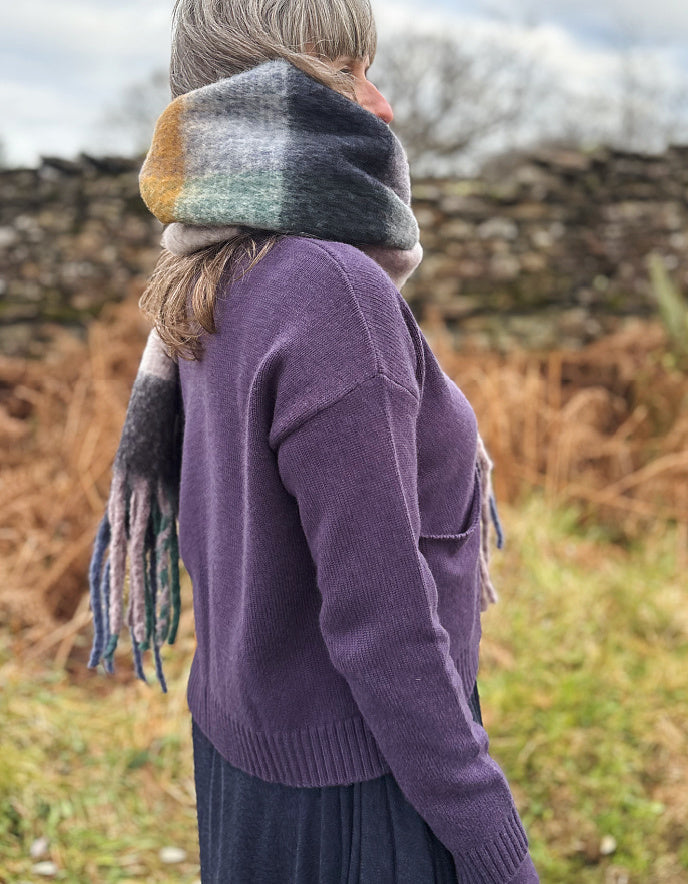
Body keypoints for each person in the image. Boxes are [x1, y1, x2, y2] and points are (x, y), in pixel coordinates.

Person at [88, 1, 540, 881]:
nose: (382, 104)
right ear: (278, 84)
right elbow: (384, 624)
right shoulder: (331, 289)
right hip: (360, 795)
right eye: (348, 72)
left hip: (246, 765)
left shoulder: (212, 272)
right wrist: (491, 842)